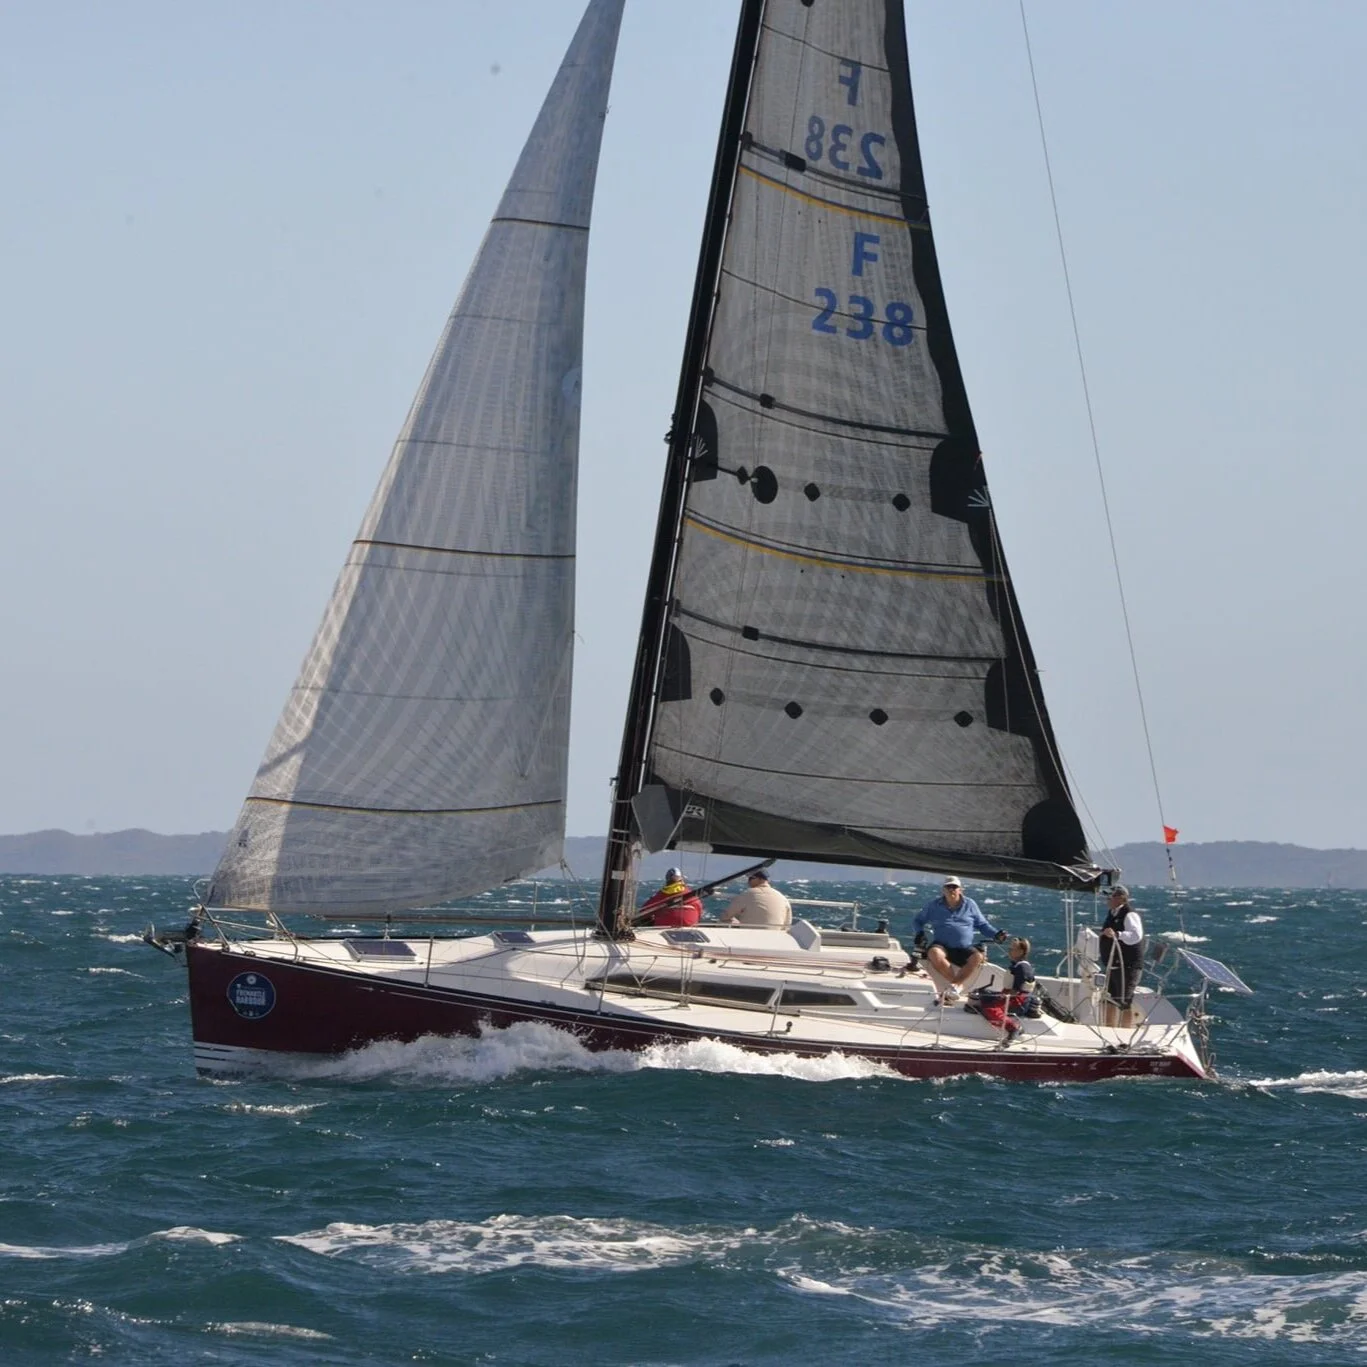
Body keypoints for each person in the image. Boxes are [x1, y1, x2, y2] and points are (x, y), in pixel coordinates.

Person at [911, 876, 1006, 1004]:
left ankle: (954, 986)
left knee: (977, 957)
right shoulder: (933, 905)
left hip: (964, 947)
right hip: (942, 945)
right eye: (948, 887)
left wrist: (996, 934)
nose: (951, 890)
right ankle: (956, 985)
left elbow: (983, 925)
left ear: (961, 890)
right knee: (934, 953)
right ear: (943, 890)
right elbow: (918, 921)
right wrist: (919, 933)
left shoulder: (970, 904)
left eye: (954, 887)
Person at [1099, 885, 1145, 1026]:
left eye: (1110, 896)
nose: (1107, 899)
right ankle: (1109, 1029)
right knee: (1109, 999)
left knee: (1125, 1001)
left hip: (1128, 965)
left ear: (1120, 898)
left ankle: (1124, 1034)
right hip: (1113, 964)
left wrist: (1118, 934)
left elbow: (1136, 935)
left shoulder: (1129, 914)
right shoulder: (1112, 913)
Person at [720, 868, 792, 929]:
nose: (748, 881)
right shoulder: (782, 897)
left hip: (750, 936)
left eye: (751, 878)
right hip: (775, 937)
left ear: (759, 879)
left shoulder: (748, 894)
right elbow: (787, 925)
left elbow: (726, 916)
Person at [638, 867, 703, 928]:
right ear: (681, 879)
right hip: (690, 926)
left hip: (664, 926)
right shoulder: (691, 894)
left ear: (667, 880)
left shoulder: (660, 895)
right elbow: (699, 911)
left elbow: (643, 911)